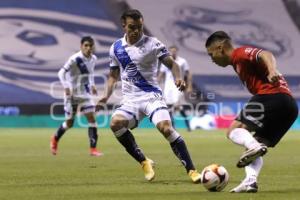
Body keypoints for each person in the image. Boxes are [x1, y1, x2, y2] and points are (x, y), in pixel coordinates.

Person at [96, 9, 201, 183]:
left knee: (166, 128)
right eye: (132, 27)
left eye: (139, 27)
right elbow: (113, 76)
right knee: (115, 124)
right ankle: (144, 161)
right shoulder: (115, 48)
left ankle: (192, 170)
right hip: (130, 100)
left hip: (152, 96)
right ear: (124, 25)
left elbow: (172, 64)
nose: (136, 30)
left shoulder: (153, 43)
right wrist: (104, 97)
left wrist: (178, 77)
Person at [205, 31, 298, 193]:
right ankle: (250, 182)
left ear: (220, 48)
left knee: (234, 131)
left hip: (271, 96)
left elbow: (265, 54)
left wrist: (272, 70)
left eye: (211, 54)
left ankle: (254, 147)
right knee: (253, 147)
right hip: (289, 106)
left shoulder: (240, 54)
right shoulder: (237, 63)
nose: (211, 59)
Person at [50, 36, 103, 157]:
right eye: (86, 45)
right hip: (72, 95)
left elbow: (90, 73)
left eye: (90, 46)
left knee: (92, 119)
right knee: (69, 123)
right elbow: (61, 73)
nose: (88, 48)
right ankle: (55, 139)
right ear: (81, 46)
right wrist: (66, 86)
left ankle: (93, 149)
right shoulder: (74, 59)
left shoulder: (93, 58)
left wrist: (93, 85)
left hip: (84, 94)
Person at [158, 46, 193, 131]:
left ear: (177, 51)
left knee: (178, 106)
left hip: (178, 86)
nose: (173, 53)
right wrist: (156, 84)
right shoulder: (165, 62)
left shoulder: (182, 61)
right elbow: (161, 75)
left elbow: (188, 74)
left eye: (174, 51)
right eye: (171, 51)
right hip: (168, 87)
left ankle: (188, 125)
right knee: (169, 107)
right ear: (169, 52)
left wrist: (189, 86)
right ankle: (173, 127)